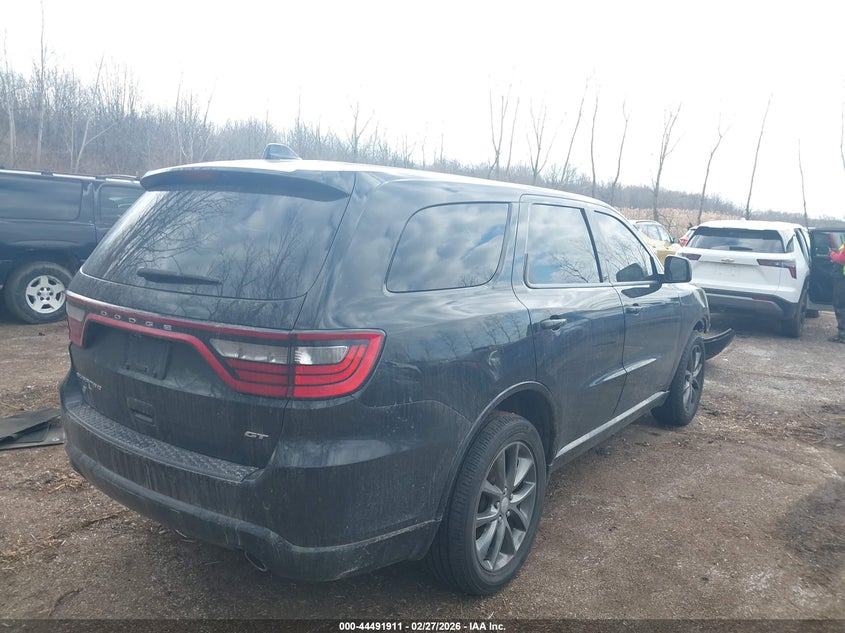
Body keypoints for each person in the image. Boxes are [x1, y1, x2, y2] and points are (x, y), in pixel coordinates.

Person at [830, 242, 845, 342]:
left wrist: (831, 254)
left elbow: (842, 259)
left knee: (840, 305)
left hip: (842, 279)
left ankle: (842, 335)